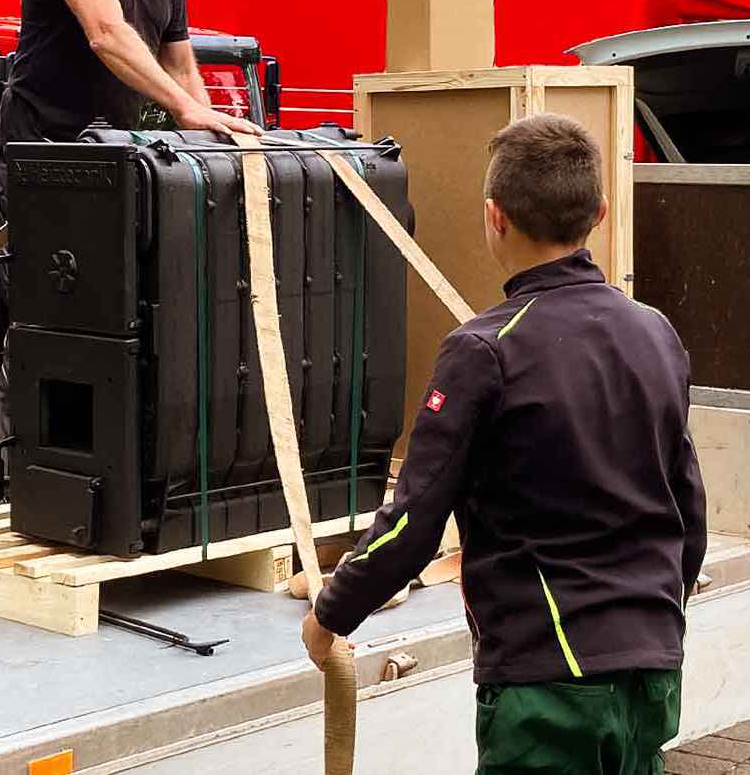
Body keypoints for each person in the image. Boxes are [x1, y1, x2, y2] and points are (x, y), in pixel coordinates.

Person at [302, 114, 707, 775]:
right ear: (599, 213)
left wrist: (330, 613)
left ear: (494, 216)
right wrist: (656, 616)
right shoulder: (653, 331)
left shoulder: (483, 350)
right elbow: (686, 502)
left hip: (548, 681)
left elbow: (411, 521)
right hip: (652, 666)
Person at [0, 0, 261, 442]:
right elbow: (108, 34)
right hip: (43, 155)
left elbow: (181, 63)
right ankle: (28, 463)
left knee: (121, 314)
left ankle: (115, 460)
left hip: (114, 161)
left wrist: (208, 133)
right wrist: (185, 107)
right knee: (48, 311)